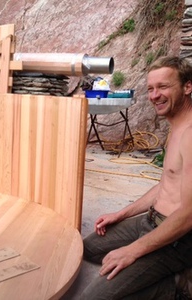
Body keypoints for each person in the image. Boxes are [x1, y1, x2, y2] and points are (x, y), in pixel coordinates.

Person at [80, 56, 192, 300]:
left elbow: (188, 215)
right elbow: (165, 184)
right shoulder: (176, 125)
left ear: (187, 86)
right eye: (151, 89)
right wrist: (121, 214)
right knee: (89, 248)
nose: (154, 96)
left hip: (177, 239)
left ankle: (179, 287)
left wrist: (133, 251)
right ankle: (159, 279)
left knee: (93, 297)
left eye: (163, 87)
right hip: (151, 220)